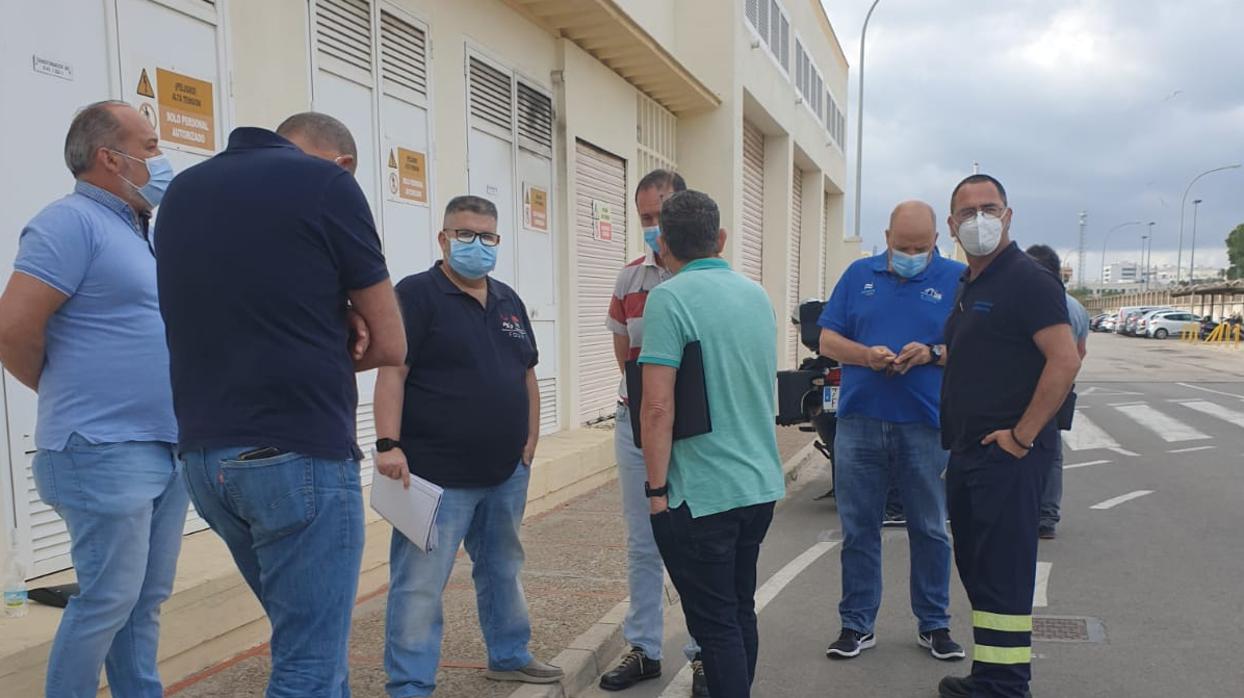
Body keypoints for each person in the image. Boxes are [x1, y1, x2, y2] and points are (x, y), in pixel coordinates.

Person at [155, 113, 408, 697]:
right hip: (297, 455)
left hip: (204, 460)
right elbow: (392, 342)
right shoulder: (328, 186)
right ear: (342, 162)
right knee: (307, 668)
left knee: (308, 643)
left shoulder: (183, 192)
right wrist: (335, 334)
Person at [0, 100, 185, 698]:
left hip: (162, 446)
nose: (162, 159)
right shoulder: (68, 222)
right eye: (152, 146)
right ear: (112, 157)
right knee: (107, 600)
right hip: (101, 447)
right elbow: (11, 329)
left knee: (143, 602)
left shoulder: (142, 233)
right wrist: (61, 390)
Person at [374, 195, 564, 695]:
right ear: (443, 238)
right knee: (419, 586)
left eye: (487, 236)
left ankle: (509, 654)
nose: (476, 245)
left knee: (503, 569)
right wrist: (387, 444)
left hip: (505, 472)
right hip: (433, 476)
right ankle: (410, 684)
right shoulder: (415, 295)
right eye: (465, 234)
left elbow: (526, 374)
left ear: (498, 241)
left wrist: (530, 440)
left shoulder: (507, 300)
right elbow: (393, 372)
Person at [937, 174, 1081, 698]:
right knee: (979, 568)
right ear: (951, 225)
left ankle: (1005, 686)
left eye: (989, 208)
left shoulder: (1026, 279)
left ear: (1008, 216)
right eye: (967, 211)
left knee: (1002, 574)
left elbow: (1065, 360)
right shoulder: (973, 282)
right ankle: (992, 673)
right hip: (970, 454)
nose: (979, 219)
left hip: (1007, 458)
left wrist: (1022, 436)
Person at [641, 190, 784, 698]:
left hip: (702, 492)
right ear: (720, 239)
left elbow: (657, 407)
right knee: (740, 609)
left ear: (662, 244)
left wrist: (655, 491)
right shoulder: (756, 295)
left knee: (716, 624)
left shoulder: (669, 298)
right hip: (757, 484)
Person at [817, 201, 967, 662]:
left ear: (936, 242)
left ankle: (934, 624)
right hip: (861, 421)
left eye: (921, 247)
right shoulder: (858, 276)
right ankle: (857, 624)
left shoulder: (955, 280)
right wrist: (865, 356)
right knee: (859, 528)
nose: (911, 254)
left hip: (925, 423)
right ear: (886, 238)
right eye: (903, 247)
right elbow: (826, 339)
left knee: (929, 528)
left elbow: (973, 344)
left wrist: (933, 353)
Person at [599, 169, 707, 696]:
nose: (652, 227)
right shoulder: (629, 281)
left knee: (696, 539)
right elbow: (627, 358)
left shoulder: (704, 282)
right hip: (638, 423)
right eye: (644, 217)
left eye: (660, 216)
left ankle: (705, 650)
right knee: (644, 542)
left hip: (694, 430)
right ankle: (644, 647)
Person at [1024, 245, 1090, 541]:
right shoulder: (1077, 307)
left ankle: (1023, 512)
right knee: (1051, 454)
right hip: (1059, 388)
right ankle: (1047, 516)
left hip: (1028, 388)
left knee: (1021, 447)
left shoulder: (1031, 300)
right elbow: (1079, 353)